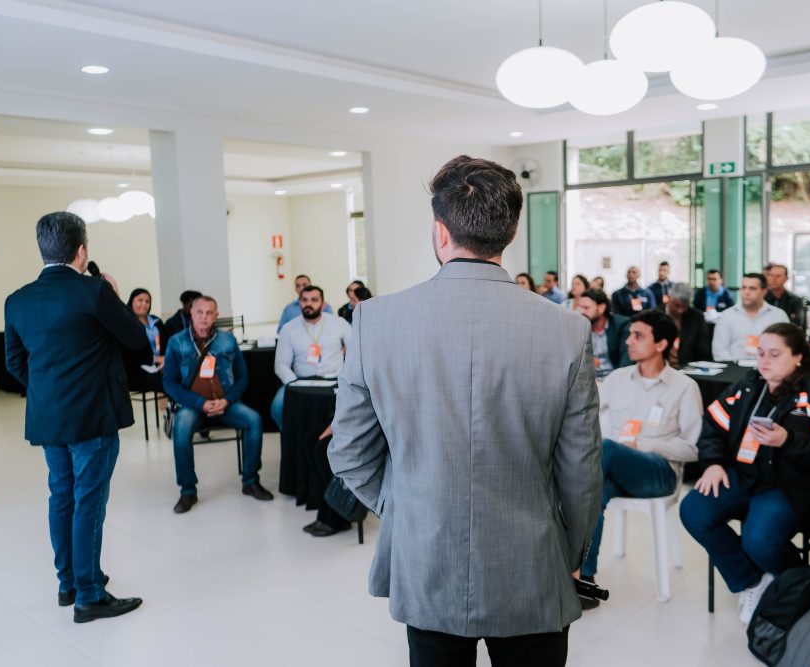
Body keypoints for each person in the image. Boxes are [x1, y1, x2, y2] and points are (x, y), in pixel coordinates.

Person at [328, 156, 602, 666]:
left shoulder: (374, 321)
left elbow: (348, 452)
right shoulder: (567, 328)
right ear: (511, 232)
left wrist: (407, 505)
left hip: (425, 554)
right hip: (531, 559)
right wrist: (570, 553)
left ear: (440, 231)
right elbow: (581, 470)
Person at [4, 211, 145, 623]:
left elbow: (15, 362)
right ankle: (90, 594)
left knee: (62, 496)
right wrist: (114, 295)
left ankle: (68, 582)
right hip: (93, 417)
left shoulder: (17, 300)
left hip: (49, 418)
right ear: (81, 251)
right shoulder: (94, 292)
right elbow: (136, 338)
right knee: (89, 501)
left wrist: (49, 392)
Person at [680, 323, 810, 626]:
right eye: (761, 353)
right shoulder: (750, 384)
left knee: (760, 539)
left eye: (774, 355)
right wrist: (712, 463)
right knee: (694, 510)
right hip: (744, 474)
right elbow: (712, 425)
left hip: (791, 484)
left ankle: (797, 588)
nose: (764, 362)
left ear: (798, 357)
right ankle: (753, 580)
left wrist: (788, 440)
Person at [579, 310, 703, 603]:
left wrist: (643, 445)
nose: (628, 341)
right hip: (616, 469)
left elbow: (693, 448)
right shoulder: (617, 379)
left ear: (661, 344)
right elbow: (588, 419)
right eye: (629, 334)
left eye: (638, 336)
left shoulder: (685, 387)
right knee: (594, 491)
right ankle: (584, 579)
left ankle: (570, 568)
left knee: (606, 451)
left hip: (659, 473)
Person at [162, 295, 273, 513]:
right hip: (193, 405)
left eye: (209, 313)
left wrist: (227, 400)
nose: (204, 317)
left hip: (225, 403)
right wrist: (199, 403)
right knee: (181, 427)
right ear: (191, 313)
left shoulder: (227, 340)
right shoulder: (176, 342)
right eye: (199, 312)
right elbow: (169, 383)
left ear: (216, 315)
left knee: (254, 420)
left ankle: (250, 481)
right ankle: (187, 490)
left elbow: (242, 376)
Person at [271, 285, 351, 430]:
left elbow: (356, 352)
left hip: (336, 379)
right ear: (299, 303)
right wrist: (294, 384)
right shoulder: (288, 329)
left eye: (314, 300)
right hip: (300, 380)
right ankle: (294, 439)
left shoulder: (340, 323)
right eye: (304, 300)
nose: (308, 304)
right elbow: (281, 364)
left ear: (323, 304)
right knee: (278, 407)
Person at [712, 273, 789, 361]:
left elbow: (786, 347)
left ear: (764, 291)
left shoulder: (778, 316)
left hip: (769, 367)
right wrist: (732, 367)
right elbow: (719, 349)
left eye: (752, 288)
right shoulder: (727, 315)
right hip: (733, 366)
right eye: (743, 288)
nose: (746, 292)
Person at [578, 288, 632, 379]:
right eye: (580, 307)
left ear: (601, 308)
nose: (582, 312)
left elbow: (626, 361)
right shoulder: (580, 327)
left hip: (614, 379)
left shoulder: (621, 325)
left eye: (586, 308)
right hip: (588, 381)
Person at [124, 288, 169, 394]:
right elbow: (127, 354)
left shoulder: (156, 321)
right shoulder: (127, 324)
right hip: (137, 370)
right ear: (131, 302)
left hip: (161, 365)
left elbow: (168, 343)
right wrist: (155, 359)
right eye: (140, 300)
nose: (144, 304)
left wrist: (166, 359)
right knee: (169, 382)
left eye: (147, 301)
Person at [666, 282, 711, 367]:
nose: (680, 310)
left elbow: (703, 350)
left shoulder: (697, 317)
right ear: (669, 298)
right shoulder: (655, 316)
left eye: (685, 306)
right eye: (676, 305)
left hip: (690, 367)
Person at [763, 263, 806, 328]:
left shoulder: (795, 301)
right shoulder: (761, 298)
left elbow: (798, 324)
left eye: (778, 276)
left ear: (786, 278)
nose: (774, 279)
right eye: (771, 275)